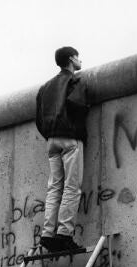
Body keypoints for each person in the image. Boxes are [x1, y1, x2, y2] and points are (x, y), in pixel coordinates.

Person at [35, 46, 89, 252]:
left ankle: (47, 234)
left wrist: (50, 134)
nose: (80, 60)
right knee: (71, 187)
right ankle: (64, 234)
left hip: (52, 141)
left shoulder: (45, 87)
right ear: (71, 59)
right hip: (69, 138)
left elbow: (38, 119)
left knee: (54, 187)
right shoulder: (75, 81)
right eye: (78, 56)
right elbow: (79, 107)